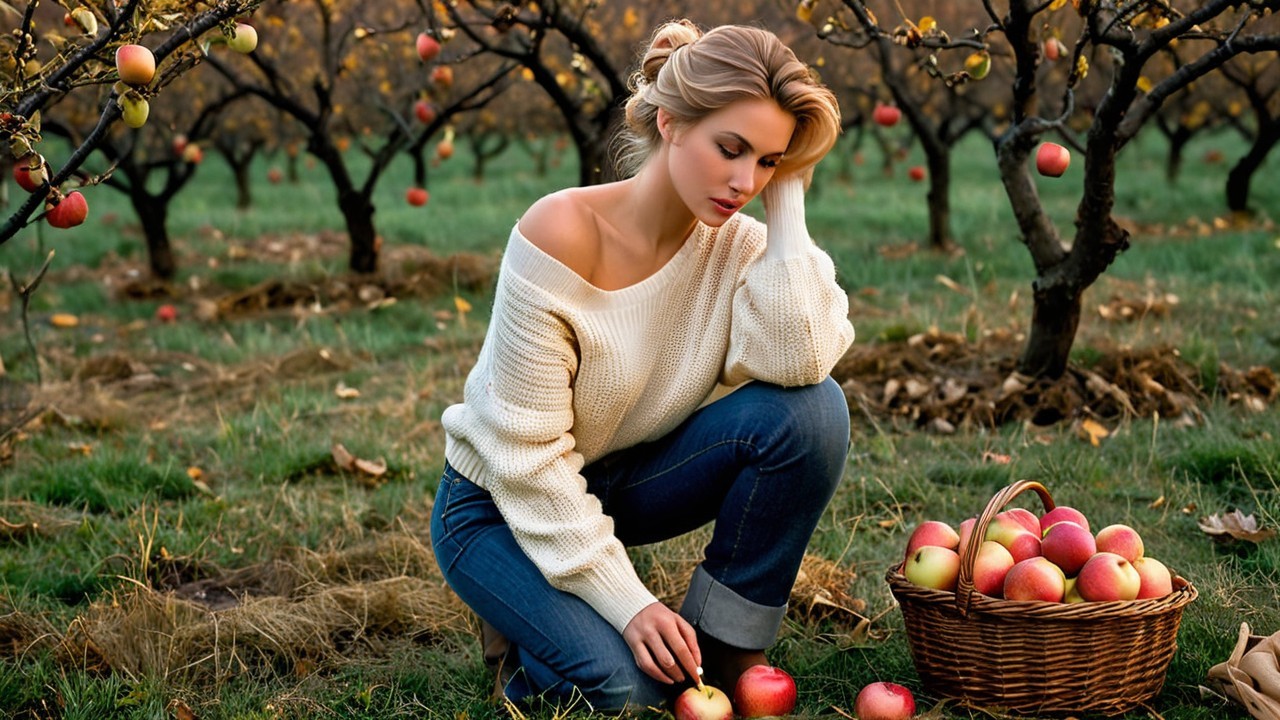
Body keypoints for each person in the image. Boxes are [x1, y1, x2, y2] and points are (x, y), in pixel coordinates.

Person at [429, 18, 854, 714]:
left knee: (813, 414)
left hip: (620, 478)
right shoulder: (561, 234)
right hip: (501, 504)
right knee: (630, 692)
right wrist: (631, 606)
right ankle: (528, 636)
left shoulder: (741, 245)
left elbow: (801, 360)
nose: (745, 179)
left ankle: (722, 648)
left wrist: (788, 199)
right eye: (731, 148)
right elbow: (529, 464)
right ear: (671, 122)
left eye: (769, 161)